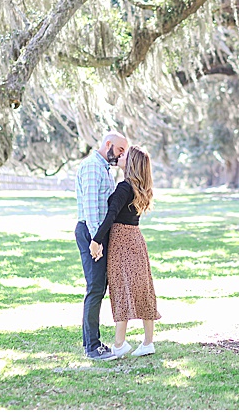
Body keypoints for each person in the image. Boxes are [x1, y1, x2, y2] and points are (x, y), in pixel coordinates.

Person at [90, 146, 161, 358]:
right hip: (136, 240)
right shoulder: (138, 188)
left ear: (131, 163)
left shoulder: (124, 187)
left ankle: (119, 343)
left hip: (122, 242)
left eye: (125, 155)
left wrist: (96, 240)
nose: (120, 156)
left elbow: (111, 216)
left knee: (122, 290)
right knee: (142, 289)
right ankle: (147, 342)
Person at [75, 131, 129, 361]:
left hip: (98, 233)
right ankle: (92, 347)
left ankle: (93, 341)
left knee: (99, 287)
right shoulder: (92, 167)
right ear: (108, 144)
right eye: (119, 150)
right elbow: (90, 207)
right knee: (95, 288)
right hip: (91, 232)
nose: (121, 155)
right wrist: (96, 240)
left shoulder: (104, 169)